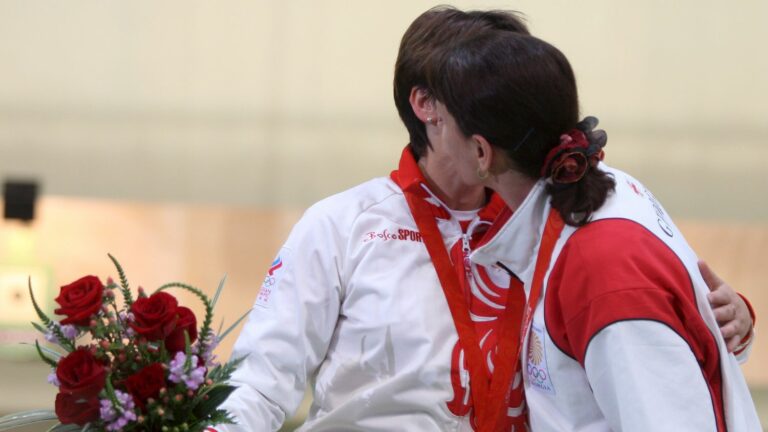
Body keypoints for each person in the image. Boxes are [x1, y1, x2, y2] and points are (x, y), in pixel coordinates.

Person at [213, 7, 756, 431]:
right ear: (426, 104)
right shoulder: (340, 225)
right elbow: (260, 380)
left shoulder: (564, 215)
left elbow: (642, 346)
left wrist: (723, 319)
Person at [425, 28, 761, 430]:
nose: (434, 137)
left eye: (441, 123)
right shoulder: (599, 192)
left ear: (481, 152)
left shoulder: (600, 269)